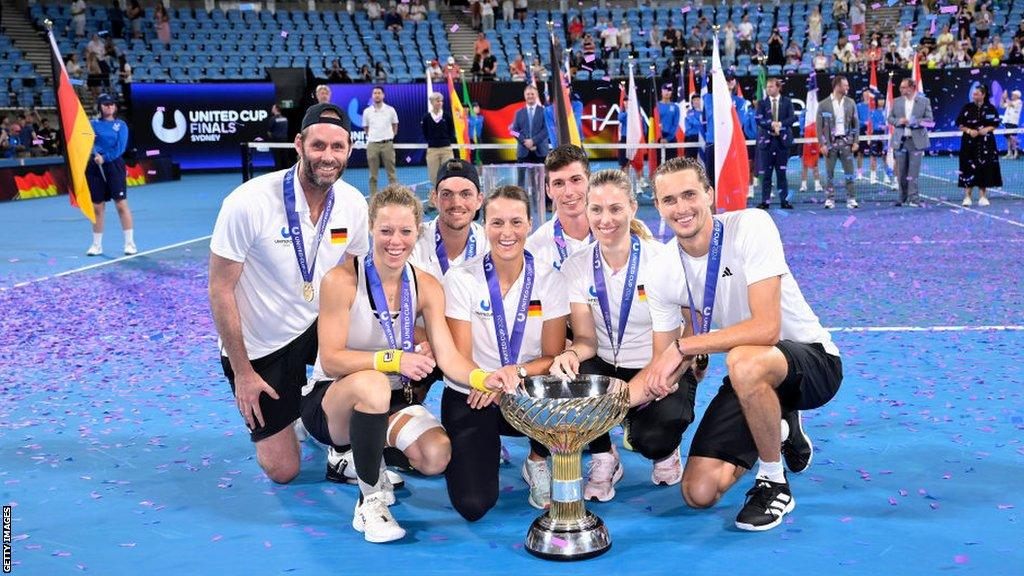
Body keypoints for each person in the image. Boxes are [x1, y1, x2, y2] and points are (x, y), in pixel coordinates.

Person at [640, 156, 842, 531]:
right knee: (698, 492)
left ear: (709, 195)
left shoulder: (751, 225)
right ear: (659, 206)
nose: (681, 208)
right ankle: (779, 422)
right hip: (750, 373)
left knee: (744, 360)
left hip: (812, 363)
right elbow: (661, 364)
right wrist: (605, 405)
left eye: (689, 194)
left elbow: (767, 328)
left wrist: (686, 347)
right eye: (669, 200)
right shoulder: (661, 270)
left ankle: (773, 481)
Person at [306, 184, 514, 542]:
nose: (395, 241)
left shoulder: (427, 285)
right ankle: (369, 501)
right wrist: (394, 359)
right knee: (372, 382)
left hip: (391, 403)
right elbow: (331, 358)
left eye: (405, 231)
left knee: (435, 456)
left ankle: (369, 454)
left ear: (417, 232)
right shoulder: (340, 280)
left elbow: (448, 357)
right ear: (371, 228)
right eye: (385, 231)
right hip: (333, 404)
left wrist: (483, 378)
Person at [209, 103, 368, 486]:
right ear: (298, 145)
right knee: (284, 470)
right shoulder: (247, 202)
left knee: (372, 359)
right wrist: (244, 373)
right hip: (262, 344)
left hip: (317, 325)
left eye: (337, 147)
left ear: (349, 150)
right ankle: (294, 406)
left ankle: (338, 438)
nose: (327, 156)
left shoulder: (353, 203)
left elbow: (354, 275)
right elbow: (220, 288)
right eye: (318, 146)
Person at [549, 169, 696, 501]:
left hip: (659, 362)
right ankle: (604, 456)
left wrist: (614, 404)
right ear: (586, 212)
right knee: (573, 381)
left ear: (632, 207)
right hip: (606, 365)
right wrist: (571, 354)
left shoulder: (661, 261)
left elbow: (667, 351)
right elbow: (586, 340)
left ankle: (665, 450)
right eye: (596, 209)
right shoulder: (577, 266)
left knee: (652, 438)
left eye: (615, 208)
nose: (605, 219)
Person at [442, 185, 569, 520]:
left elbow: (553, 356)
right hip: (474, 392)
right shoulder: (461, 279)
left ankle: (538, 460)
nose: (507, 233)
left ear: (530, 224)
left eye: (516, 222)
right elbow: (461, 356)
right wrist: (488, 381)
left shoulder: (550, 280)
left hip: (525, 390)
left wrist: (516, 373)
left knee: (562, 386)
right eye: (497, 223)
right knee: (473, 504)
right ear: (484, 228)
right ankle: (485, 447)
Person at [410, 159, 489, 279]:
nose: (456, 203)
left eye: (465, 194)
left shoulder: (490, 243)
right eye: (447, 194)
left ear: (479, 200)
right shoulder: (413, 241)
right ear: (434, 198)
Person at [525, 145, 592, 272]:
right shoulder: (534, 249)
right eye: (558, 183)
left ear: (590, 181)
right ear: (548, 190)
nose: (569, 192)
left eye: (576, 180)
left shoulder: (615, 234)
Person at [85, 94, 135, 256]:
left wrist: (104, 158)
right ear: (99, 106)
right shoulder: (92, 124)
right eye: (105, 104)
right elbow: (86, 142)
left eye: (111, 104)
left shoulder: (121, 125)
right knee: (97, 207)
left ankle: (129, 243)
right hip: (94, 166)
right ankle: (96, 245)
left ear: (115, 107)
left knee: (121, 204)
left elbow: (120, 148)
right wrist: (95, 155)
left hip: (114, 166)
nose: (109, 106)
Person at [816, 75, 860, 209]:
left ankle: (851, 198)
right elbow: (819, 126)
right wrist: (822, 144)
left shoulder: (850, 102)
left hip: (846, 143)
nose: (848, 87)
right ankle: (830, 199)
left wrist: (856, 141)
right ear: (838, 86)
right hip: (830, 144)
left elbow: (855, 123)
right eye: (845, 85)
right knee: (829, 173)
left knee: (849, 172)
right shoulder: (823, 104)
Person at [888, 80, 934, 207]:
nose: (901, 90)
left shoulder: (924, 101)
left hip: (916, 142)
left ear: (912, 88)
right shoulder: (896, 102)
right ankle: (902, 198)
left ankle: (914, 198)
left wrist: (914, 122)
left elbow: (930, 122)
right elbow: (890, 119)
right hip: (901, 141)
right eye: (900, 87)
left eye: (903, 87)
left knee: (913, 173)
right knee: (901, 172)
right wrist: (899, 121)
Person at [957, 85, 1002, 207]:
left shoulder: (991, 108)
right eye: (973, 94)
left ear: (983, 95)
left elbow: (995, 123)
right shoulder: (966, 107)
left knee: (984, 168)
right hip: (968, 143)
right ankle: (967, 197)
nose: (974, 96)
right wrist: (969, 131)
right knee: (968, 168)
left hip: (986, 144)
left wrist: (987, 129)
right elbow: (960, 124)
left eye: (977, 94)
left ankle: (983, 197)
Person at [755, 78, 796, 210]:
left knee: (781, 174)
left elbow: (792, 118)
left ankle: (784, 200)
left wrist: (781, 124)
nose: (768, 89)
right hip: (766, 144)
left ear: (778, 88)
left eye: (771, 87)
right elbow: (759, 120)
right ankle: (765, 201)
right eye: (767, 87)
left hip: (782, 143)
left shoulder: (787, 102)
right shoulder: (761, 103)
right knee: (766, 175)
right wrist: (772, 124)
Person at [363, 86, 399, 195]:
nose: (377, 95)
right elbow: (366, 128)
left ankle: (394, 196)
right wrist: (373, 137)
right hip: (372, 145)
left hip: (387, 144)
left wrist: (390, 136)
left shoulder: (390, 110)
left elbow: (395, 125)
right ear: (372, 96)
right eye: (375, 93)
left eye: (379, 93)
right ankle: (373, 198)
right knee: (373, 175)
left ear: (383, 95)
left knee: (391, 174)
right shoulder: (367, 112)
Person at [421, 92, 455, 186]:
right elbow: (425, 133)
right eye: (437, 101)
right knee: (434, 176)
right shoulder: (426, 118)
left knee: (449, 174)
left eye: (441, 101)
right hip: (432, 150)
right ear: (432, 102)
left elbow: (451, 131)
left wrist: (445, 141)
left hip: (446, 150)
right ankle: (437, 197)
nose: (440, 103)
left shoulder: (447, 116)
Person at [510, 85, 549, 162]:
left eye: (532, 94)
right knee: (522, 174)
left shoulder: (544, 111)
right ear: (524, 96)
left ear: (536, 95)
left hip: (541, 153)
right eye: (528, 94)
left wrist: (533, 141)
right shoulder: (518, 113)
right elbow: (514, 131)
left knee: (543, 174)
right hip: (523, 153)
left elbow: (546, 130)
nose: (530, 96)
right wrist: (524, 141)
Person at [657, 84, 681, 159]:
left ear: (671, 92)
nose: (667, 92)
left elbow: (675, 124)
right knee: (660, 166)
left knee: (672, 166)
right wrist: (658, 138)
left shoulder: (675, 107)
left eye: (669, 90)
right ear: (661, 91)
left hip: (671, 138)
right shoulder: (656, 106)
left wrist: (668, 138)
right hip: (659, 138)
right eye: (665, 90)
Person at [267, 103, 291, 171]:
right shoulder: (285, 119)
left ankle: (278, 172)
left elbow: (269, 132)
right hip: (284, 140)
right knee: (285, 157)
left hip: (276, 141)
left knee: (277, 158)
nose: (272, 109)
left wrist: (272, 137)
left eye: (273, 108)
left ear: (275, 109)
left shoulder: (273, 119)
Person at [1001, 90, 1022, 159]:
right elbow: (1002, 106)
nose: (1012, 96)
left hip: (1013, 122)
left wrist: (1006, 97)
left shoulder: (1019, 102)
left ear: (1017, 96)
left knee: (1013, 138)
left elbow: (1011, 105)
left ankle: (1016, 153)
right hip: (1007, 121)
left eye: (1013, 95)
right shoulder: (1010, 102)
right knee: (1008, 138)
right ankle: (1009, 153)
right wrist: (1002, 98)